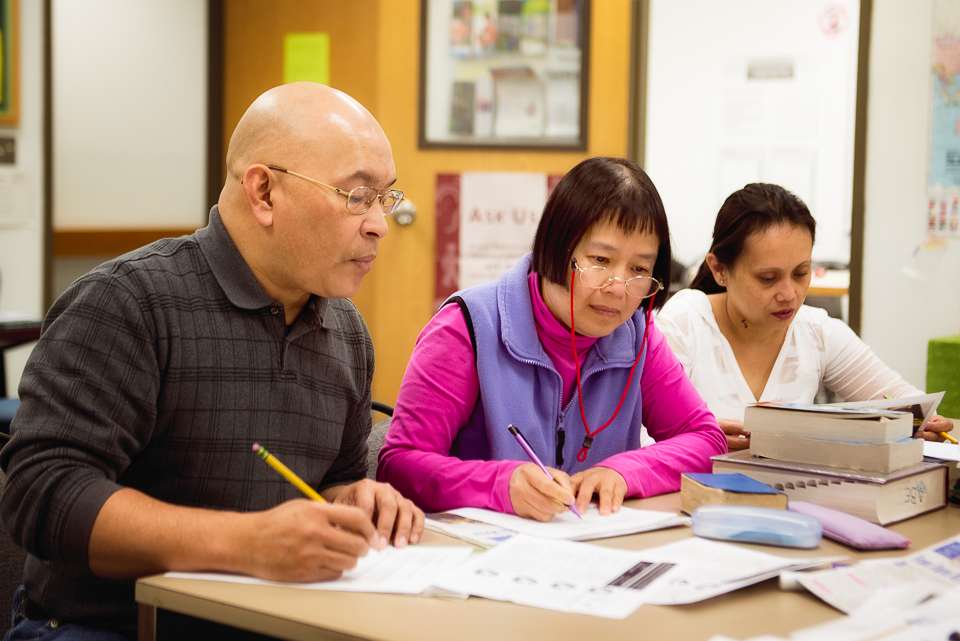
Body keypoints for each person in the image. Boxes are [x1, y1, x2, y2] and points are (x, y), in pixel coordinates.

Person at [0, 82, 424, 639]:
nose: (378, 225)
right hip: (109, 625)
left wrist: (357, 498)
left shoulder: (343, 329)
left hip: (272, 619)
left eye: (384, 198)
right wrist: (247, 544)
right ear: (265, 192)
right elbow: (42, 492)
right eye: (356, 196)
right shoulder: (129, 302)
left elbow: (335, 477)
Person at [377, 157, 726, 521]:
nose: (619, 289)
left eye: (639, 269)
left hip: (595, 549)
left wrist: (624, 472)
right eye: (601, 260)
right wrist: (498, 484)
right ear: (557, 247)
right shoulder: (466, 326)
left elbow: (705, 438)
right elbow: (399, 466)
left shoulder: (637, 335)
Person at [657, 183, 955, 451]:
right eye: (768, 278)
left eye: (801, 273)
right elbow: (646, 435)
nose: (789, 293)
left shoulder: (816, 331)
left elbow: (903, 401)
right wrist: (697, 439)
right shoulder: (684, 322)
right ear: (720, 270)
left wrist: (924, 423)